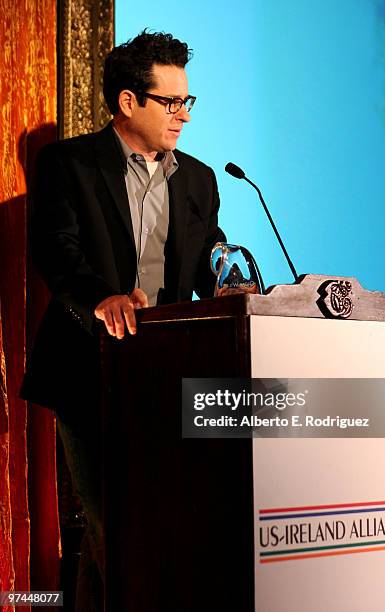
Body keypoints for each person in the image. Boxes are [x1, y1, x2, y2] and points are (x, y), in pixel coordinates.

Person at [21, 29, 225, 610]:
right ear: (128, 102)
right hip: (88, 368)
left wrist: (237, 284)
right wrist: (100, 298)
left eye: (188, 101)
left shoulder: (200, 179)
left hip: (169, 375)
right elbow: (56, 248)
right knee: (118, 525)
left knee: (126, 534)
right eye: (171, 102)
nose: (183, 115)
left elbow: (210, 255)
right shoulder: (70, 164)